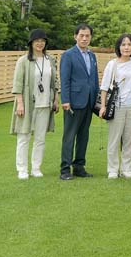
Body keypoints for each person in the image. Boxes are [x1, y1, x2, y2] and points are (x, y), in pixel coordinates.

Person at [10, 29, 60, 180]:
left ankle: (36, 168)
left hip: (45, 105)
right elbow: (18, 84)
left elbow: (54, 82)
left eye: (43, 41)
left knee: (40, 139)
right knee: (24, 137)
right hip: (27, 104)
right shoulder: (23, 61)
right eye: (37, 41)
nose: (40, 43)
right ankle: (22, 169)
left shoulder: (50, 60)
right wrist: (20, 104)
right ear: (31, 43)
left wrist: (55, 99)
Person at [100, 33, 131, 179]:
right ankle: (113, 169)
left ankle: (126, 168)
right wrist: (103, 106)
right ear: (119, 47)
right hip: (116, 106)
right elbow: (104, 87)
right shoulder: (112, 64)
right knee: (114, 138)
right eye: (123, 44)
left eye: (129, 44)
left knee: (129, 139)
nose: (126, 47)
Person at [59, 24, 99, 180]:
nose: (84, 38)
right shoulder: (68, 55)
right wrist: (65, 100)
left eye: (87, 35)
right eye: (81, 35)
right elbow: (65, 79)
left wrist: (96, 100)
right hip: (73, 102)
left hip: (89, 102)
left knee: (84, 136)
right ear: (75, 36)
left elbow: (94, 79)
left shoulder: (92, 56)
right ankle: (65, 169)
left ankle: (79, 167)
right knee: (69, 136)